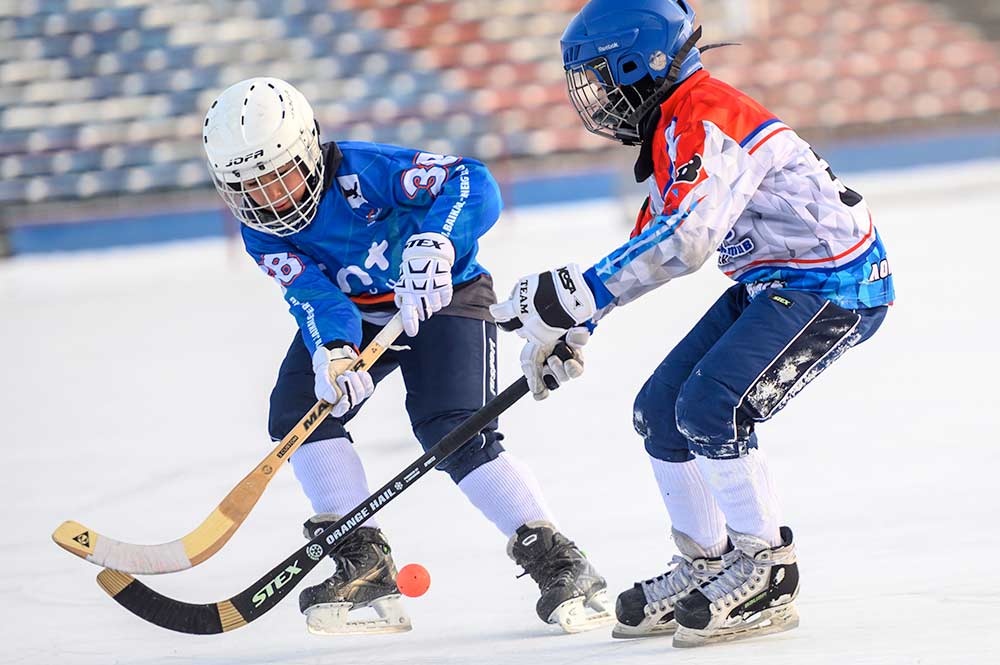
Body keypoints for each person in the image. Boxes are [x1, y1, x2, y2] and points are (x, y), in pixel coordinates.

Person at [490, 0, 895, 648]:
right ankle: (706, 563)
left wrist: (578, 294)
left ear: (638, 62)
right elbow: (653, 233)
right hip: (778, 281)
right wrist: (580, 318)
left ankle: (766, 567)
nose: (597, 95)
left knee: (713, 405)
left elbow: (689, 235)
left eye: (601, 75)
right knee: (659, 409)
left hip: (834, 284)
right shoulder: (675, 121)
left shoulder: (707, 116)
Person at [201, 77, 611, 635]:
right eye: (249, 188)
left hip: (446, 296)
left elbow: (473, 181)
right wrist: (336, 351)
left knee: (454, 428)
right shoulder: (261, 233)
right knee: (298, 410)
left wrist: (436, 241)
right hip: (359, 313)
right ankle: (362, 557)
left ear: (308, 149)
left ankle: (557, 558)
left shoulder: (366, 171)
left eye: (278, 176)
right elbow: (312, 294)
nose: (269, 199)